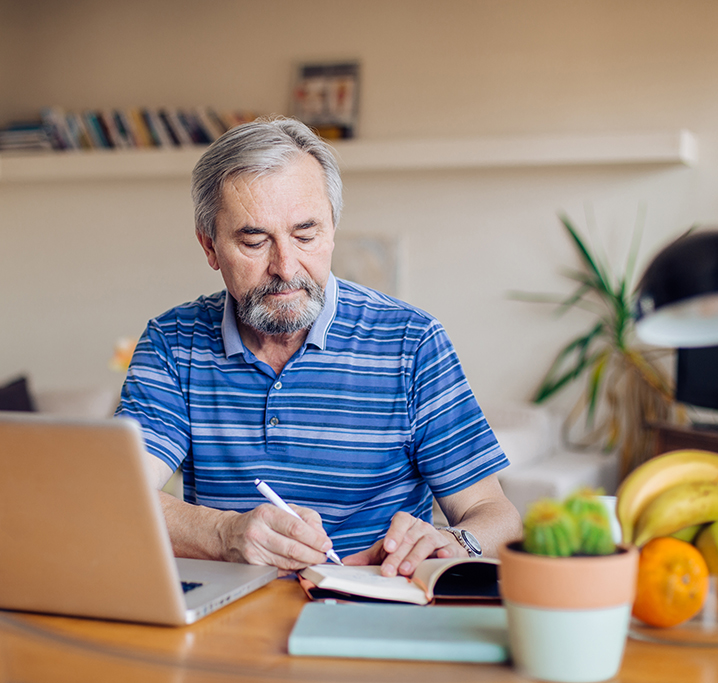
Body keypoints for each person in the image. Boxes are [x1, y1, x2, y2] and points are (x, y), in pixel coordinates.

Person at [116, 117, 522, 577]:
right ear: (209, 247)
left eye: (305, 236)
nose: (286, 267)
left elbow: (498, 515)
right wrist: (224, 534)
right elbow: (116, 497)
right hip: (228, 620)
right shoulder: (173, 343)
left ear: (331, 230)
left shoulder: (412, 343)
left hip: (374, 612)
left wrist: (453, 541)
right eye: (254, 240)